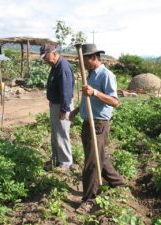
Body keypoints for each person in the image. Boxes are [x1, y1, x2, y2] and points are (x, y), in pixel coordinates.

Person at [70, 43, 125, 213]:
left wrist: (94, 92)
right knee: (98, 156)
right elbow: (89, 100)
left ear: (94, 58)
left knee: (92, 163)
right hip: (88, 122)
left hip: (99, 124)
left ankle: (89, 199)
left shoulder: (106, 75)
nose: (83, 65)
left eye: (85, 61)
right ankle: (117, 181)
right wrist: (77, 110)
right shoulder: (91, 74)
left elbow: (115, 102)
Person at [40, 42, 75, 170]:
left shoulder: (63, 67)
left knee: (61, 134)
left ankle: (65, 163)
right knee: (55, 134)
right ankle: (56, 160)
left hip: (62, 105)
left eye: (45, 57)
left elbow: (66, 91)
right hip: (56, 104)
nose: (45, 60)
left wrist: (64, 109)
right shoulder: (55, 65)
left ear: (54, 54)